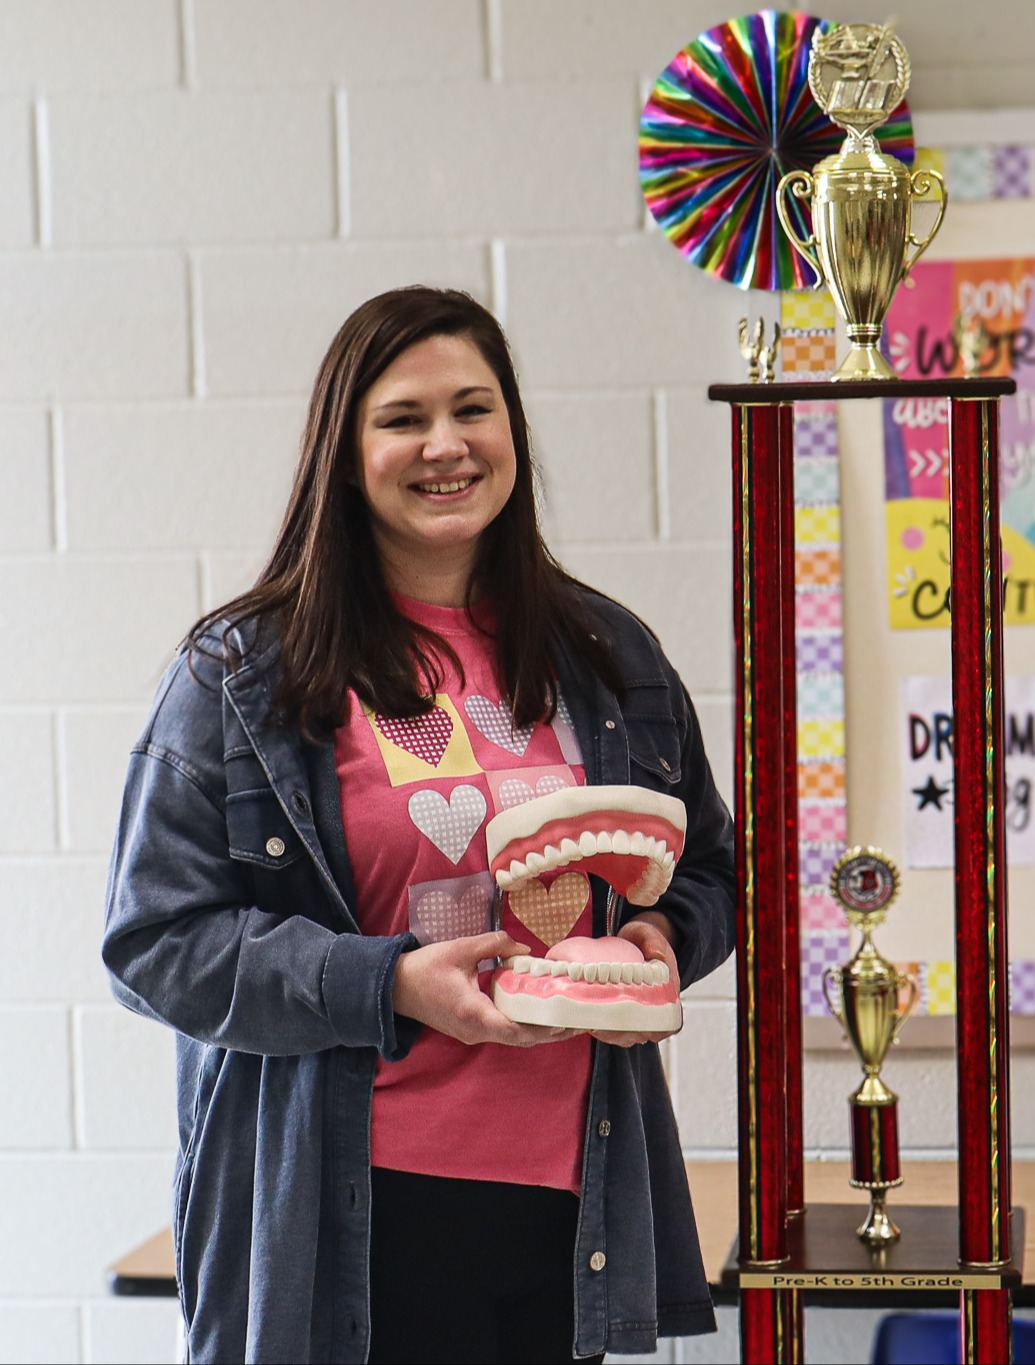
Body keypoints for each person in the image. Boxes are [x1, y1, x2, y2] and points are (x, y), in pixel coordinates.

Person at [102, 286, 737, 1364]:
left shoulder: (606, 656)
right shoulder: (241, 676)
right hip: (346, 1216)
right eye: (403, 419)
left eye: (474, 410)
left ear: (514, 435)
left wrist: (660, 939)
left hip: (567, 1204)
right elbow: (153, 946)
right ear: (346, 454)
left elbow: (711, 870)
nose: (446, 445)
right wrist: (388, 984)